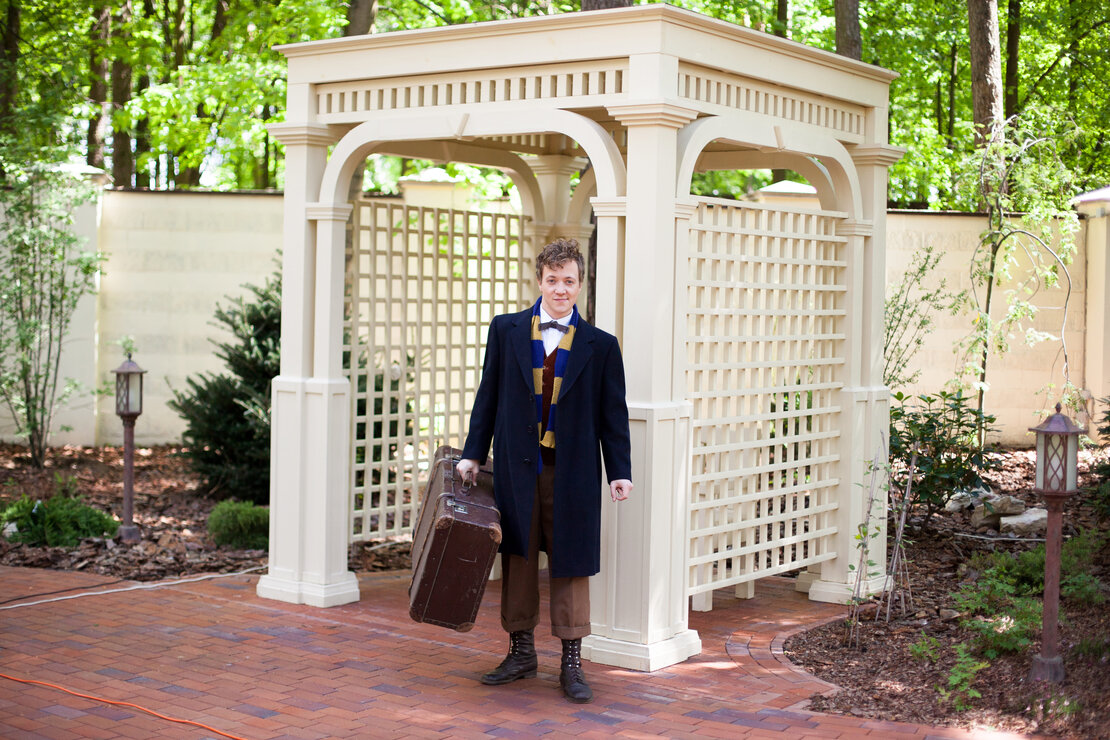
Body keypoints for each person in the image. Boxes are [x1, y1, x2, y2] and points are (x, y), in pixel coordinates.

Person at [456, 237, 633, 704]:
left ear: (580, 284)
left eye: (569, 281)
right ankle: (521, 653)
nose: (560, 289)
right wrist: (474, 452)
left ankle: (571, 663)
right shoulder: (506, 330)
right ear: (540, 281)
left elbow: (613, 415)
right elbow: (488, 395)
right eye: (552, 280)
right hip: (517, 468)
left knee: (570, 564)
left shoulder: (602, 346)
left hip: (573, 472)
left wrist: (619, 470)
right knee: (517, 557)